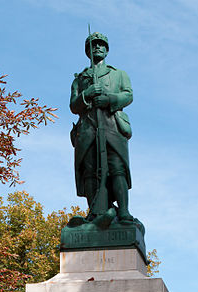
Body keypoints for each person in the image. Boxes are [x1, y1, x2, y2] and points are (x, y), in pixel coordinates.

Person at [70, 32, 133, 222]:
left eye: (101, 45)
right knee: (89, 171)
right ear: (88, 51)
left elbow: (128, 95)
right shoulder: (80, 79)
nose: (97, 47)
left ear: (106, 50)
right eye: (93, 45)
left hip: (112, 126)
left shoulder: (118, 74)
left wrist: (109, 99)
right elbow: (73, 105)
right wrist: (86, 94)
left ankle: (123, 211)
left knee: (117, 168)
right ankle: (95, 211)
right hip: (88, 128)